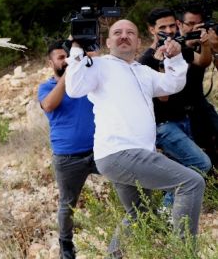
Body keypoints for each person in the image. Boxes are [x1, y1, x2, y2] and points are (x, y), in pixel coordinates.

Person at [65, 19, 204, 256]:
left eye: (130, 32)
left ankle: (114, 255)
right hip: (120, 152)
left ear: (139, 42)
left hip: (132, 155)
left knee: (141, 214)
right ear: (107, 42)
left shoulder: (143, 71)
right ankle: (185, 253)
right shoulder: (98, 66)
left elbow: (173, 84)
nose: (123, 36)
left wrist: (175, 57)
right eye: (117, 32)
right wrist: (77, 49)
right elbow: (74, 88)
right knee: (191, 182)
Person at [137, 8, 211, 192]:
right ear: (151, 30)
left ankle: (175, 211)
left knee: (183, 169)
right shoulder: (146, 60)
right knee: (200, 164)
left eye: (172, 25)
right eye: (163, 27)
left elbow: (202, 61)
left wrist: (206, 44)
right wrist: (163, 63)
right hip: (165, 126)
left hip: (183, 119)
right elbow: (163, 97)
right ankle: (166, 210)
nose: (169, 31)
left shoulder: (179, 49)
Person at [38, 40, 98, 259]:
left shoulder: (85, 82)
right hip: (68, 156)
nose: (65, 60)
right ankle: (66, 244)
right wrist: (70, 71)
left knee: (129, 179)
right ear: (51, 61)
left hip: (99, 150)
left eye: (68, 56)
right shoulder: (46, 87)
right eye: (61, 57)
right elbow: (49, 105)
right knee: (68, 203)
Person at [177, 7, 218, 165]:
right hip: (178, 111)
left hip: (200, 105)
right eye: (191, 24)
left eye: (199, 24)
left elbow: (206, 62)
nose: (195, 28)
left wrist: (214, 48)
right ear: (180, 24)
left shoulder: (204, 43)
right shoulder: (173, 45)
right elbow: (199, 61)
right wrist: (187, 44)